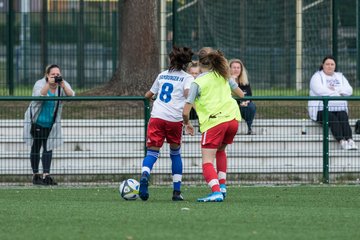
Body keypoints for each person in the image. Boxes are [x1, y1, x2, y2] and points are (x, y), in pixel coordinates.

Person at [183, 50, 244, 202]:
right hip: (233, 120)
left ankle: (216, 191)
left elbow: (186, 111)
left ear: (200, 63)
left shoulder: (197, 82)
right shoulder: (223, 76)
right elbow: (241, 94)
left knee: (207, 161)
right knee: (221, 150)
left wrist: (187, 123)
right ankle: (222, 186)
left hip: (214, 122)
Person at [139, 46, 194, 201]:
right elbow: (187, 94)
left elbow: (148, 95)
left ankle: (145, 175)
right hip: (174, 120)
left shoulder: (162, 75)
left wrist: (153, 101)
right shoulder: (187, 78)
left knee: (152, 153)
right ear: (186, 63)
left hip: (157, 117)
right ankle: (176, 192)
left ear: (171, 60)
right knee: (175, 153)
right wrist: (187, 121)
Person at [24, 64, 75, 185]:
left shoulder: (62, 84)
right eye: (53, 75)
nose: (56, 77)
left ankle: (46, 175)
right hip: (36, 121)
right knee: (36, 147)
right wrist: (48, 84)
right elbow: (38, 97)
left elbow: (71, 95)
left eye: (58, 74)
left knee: (48, 148)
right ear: (47, 75)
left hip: (51, 123)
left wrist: (62, 85)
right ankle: (36, 175)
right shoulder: (40, 84)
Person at [308, 55, 357, 150]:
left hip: (339, 109)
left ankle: (350, 140)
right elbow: (319, 90)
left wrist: (333, 90)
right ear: (323, 65)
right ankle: (342, 142)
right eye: (327, 64)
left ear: (335, 66)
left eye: (332, 64)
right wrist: (338, 92)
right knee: (332, 118)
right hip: (321, 111)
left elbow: (349, 90)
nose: (330, 66)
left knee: (343, 116)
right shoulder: (316, 76)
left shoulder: (340, 76)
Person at [229, 58, 256, 135]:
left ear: (241, 69)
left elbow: (249, 96)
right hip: (230, 106)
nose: (236, 70)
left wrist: (246, 101)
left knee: (251, 106)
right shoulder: (226, 81)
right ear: (229, 69)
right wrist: (232, 81)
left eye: (238, 68)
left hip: (242, 106)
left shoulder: (245, 82)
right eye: (234, 67)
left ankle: (249, 127)